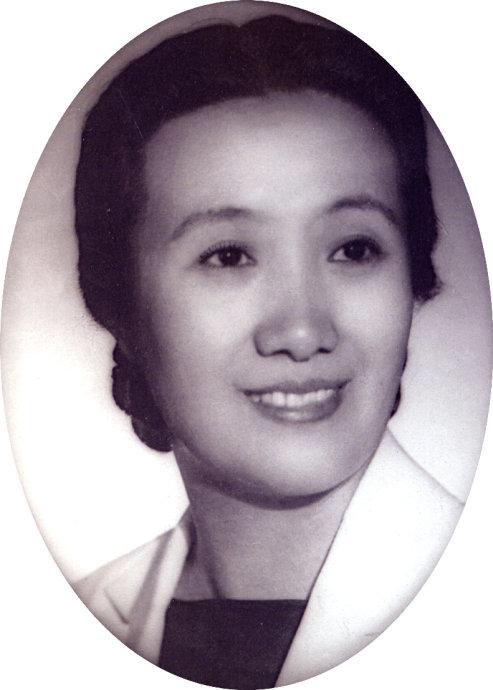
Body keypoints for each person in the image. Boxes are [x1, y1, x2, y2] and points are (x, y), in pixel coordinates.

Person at [73, 12, 462, 689]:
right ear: (121, 304)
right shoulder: (69, 620)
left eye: (354, 249)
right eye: (228, 256)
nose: (303, 331)